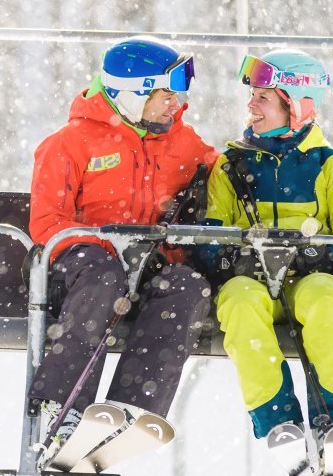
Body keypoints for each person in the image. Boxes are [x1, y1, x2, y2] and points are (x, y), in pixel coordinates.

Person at [26, 36, 218, 453]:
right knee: (102, 276)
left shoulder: (183, 143)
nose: (176, 102)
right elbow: (46, 223)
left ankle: (130, 409)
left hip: (146, 265)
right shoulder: (69, 143)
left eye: (178, 92)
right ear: (130, 96)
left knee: (185, 285)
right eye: (165, 93)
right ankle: (62, 406)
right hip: (79, 266)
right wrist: (110, 244)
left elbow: (226, 175)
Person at [200, 49, 333, 448]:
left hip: (309, 281)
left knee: (325, 305)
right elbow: (208, 240)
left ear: (294, 106)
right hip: (253, 282)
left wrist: (316, 256)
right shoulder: (231, 167)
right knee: (240, 304)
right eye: (253, 96)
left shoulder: (330, 166)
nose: (251, 105)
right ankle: (279, 422)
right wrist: (233, 259)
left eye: (263, 97)